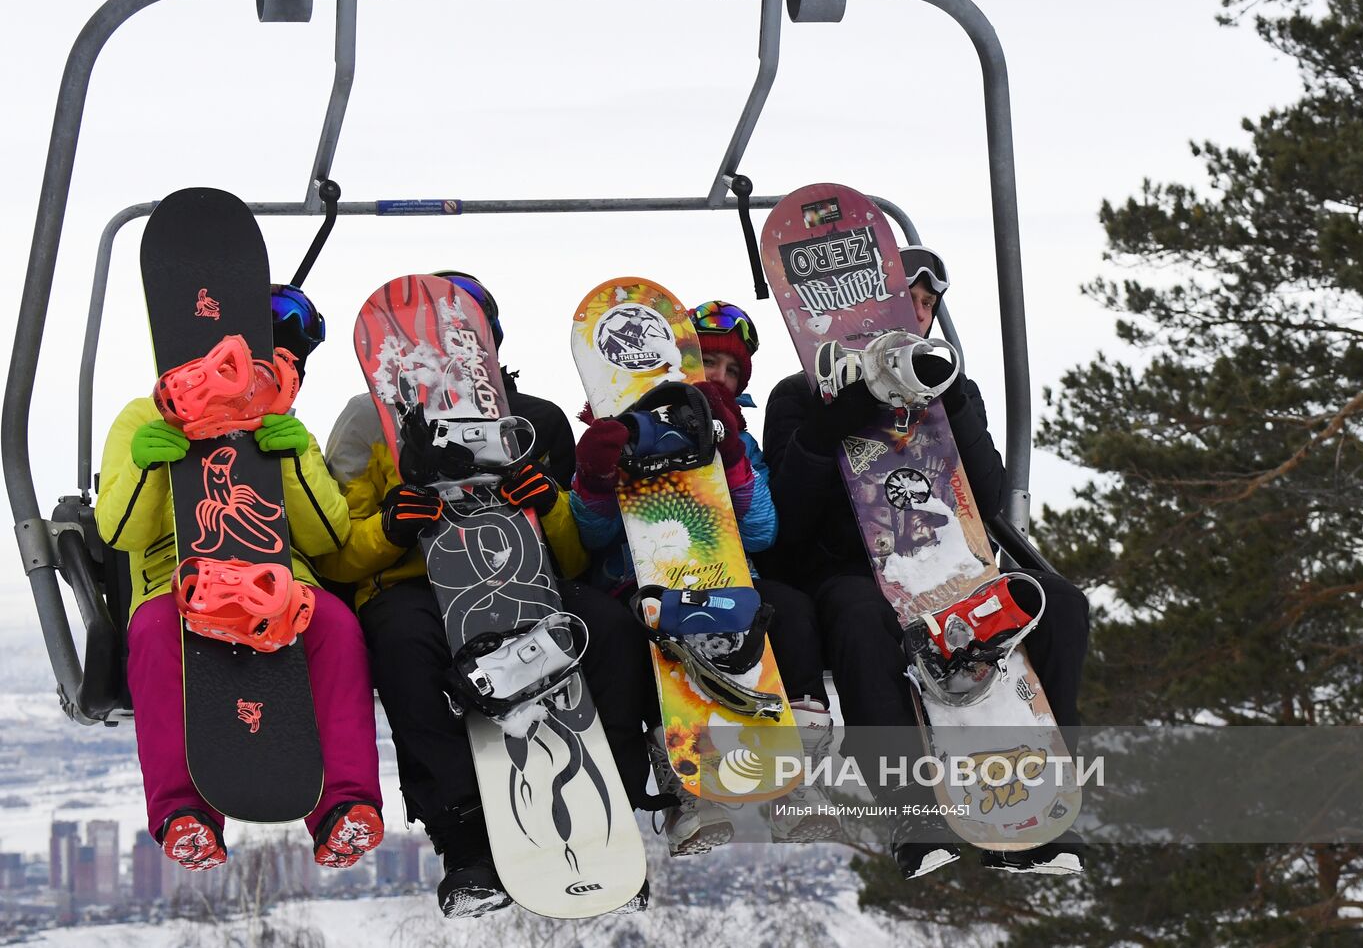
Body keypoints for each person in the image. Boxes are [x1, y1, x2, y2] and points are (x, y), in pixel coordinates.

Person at [317, 272, 650, 917]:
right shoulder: (365, 421)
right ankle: (464, 837)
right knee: (405, 649)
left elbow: (573, 554)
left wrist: (547, 504)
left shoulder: (532, 422)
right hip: (413, 583)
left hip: (520, 577)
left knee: (605, 628)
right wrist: (393, 527)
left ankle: (615, 810)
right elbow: (340, 555)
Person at [762, 246, 1091, 877]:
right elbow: (786, 522)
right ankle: (914, 815)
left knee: (1062, 607)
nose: (915, 313)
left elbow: (990, 499)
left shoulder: (952, 390)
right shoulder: (801, 395)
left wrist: (955, 404)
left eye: (925, 304)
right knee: (862, 621)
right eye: (903, 299)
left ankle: (1048, 799)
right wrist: (833, 428)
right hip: (851, 570)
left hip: (949, 567)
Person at [96, 285, 383, 874]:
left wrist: (295, 457)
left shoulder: (284, 425)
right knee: (154, 634)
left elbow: (327, 537)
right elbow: (120, 529)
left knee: (335, 624)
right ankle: (185, 812)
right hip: (178, 583)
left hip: (277, 579)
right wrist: (152, 464)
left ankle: (344, 804)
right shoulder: (143, 417)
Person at [569, 297, 834, 852]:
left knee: (786, 615)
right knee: (650, 647)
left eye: (732, 370)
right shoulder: (612, 429)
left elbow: (761, 530)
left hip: (728, 575)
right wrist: (595, 476)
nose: (718, 376)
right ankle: (691, 791)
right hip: (638, 580)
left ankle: (794, 779)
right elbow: (589, 537)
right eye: (708, 362)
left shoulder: (738, 438)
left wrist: (732, 455)